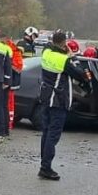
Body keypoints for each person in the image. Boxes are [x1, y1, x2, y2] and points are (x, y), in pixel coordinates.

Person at [36, 30, 91, 180]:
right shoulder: (64, 60)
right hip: (58, 100)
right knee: (53, 136)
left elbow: (49, 46)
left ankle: (44, 164)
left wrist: (62, 48)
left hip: (46, 98)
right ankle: (45, 167)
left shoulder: (46, 52)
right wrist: (72, 56)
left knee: (46, 133)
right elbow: (82, 75)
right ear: (63, 43)